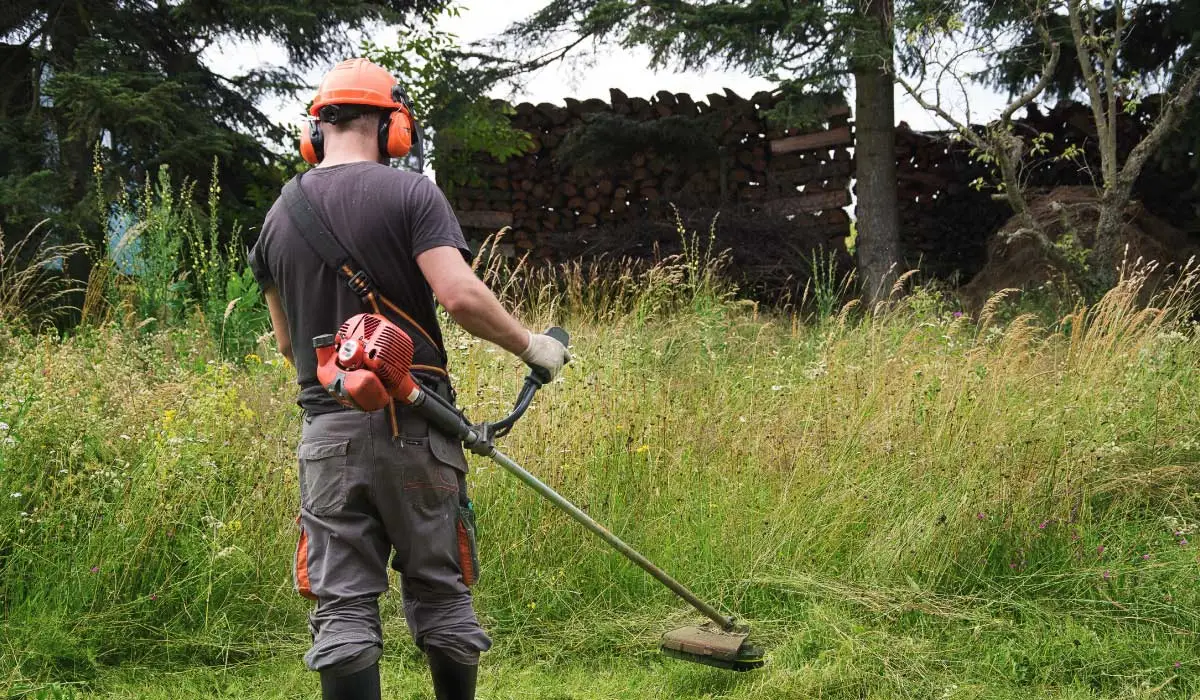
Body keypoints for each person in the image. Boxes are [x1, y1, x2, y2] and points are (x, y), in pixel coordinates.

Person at [248, 58, 570, 700]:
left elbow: (287, 342)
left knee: (341, 605)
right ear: (395, 125)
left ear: (317, 129)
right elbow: (460, 297)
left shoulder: (279, 216)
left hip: (328, 436)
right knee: (438, 588)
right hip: (417, 430)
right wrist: (534, 347)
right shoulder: (412, 193)